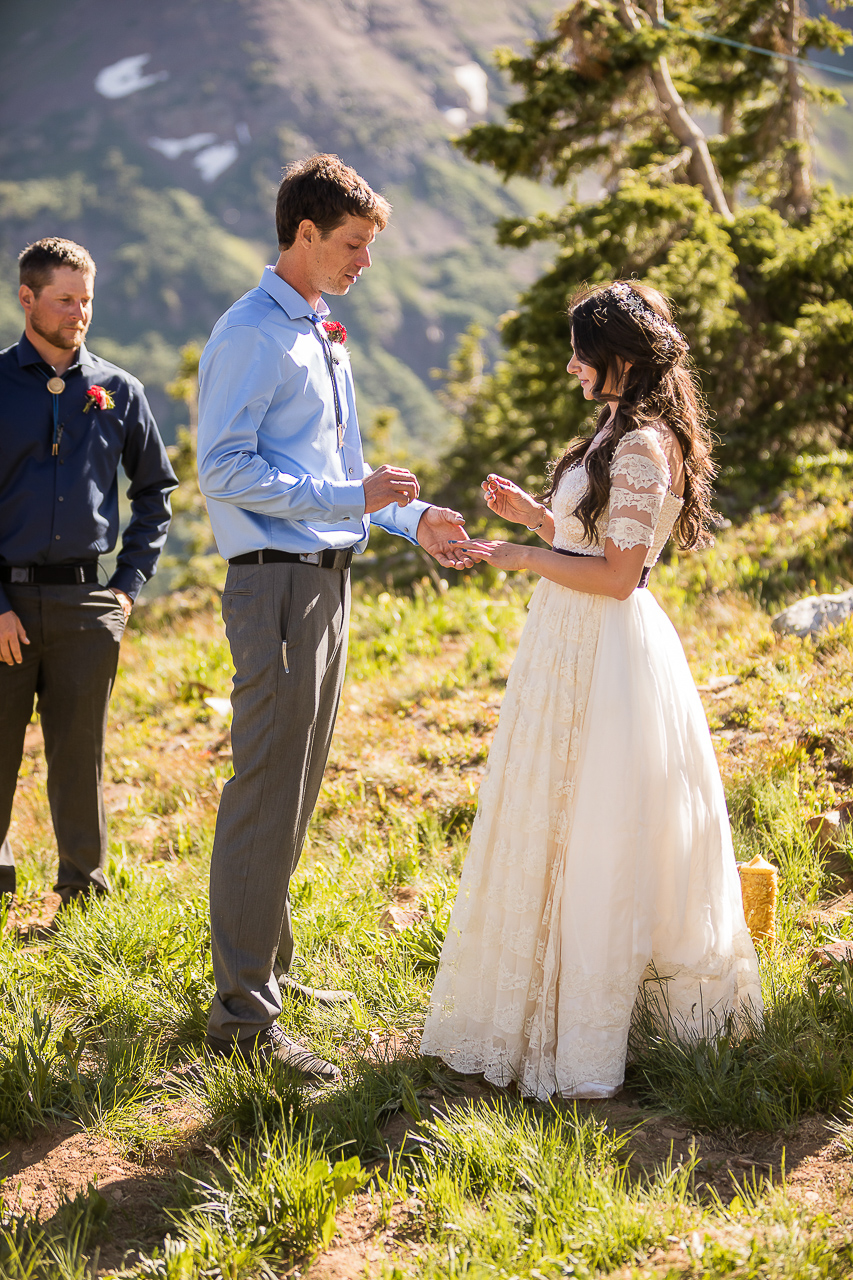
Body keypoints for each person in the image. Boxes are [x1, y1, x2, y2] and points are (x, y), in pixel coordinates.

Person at [421, 281, 762, 1100]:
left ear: (618, 357)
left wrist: (522, 556)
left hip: (606, 646)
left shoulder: (645, 445)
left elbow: (619, 575)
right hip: (565, 642)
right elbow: (591, 538)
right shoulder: (613, 430)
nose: (571, 365)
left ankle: (596, 1023)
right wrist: (539, 519)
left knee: (603, 823)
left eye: (581, 350)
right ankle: (547, 994)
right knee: (557, 812)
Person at [197, 154, 469, 1081]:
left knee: (297, 789)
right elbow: (223, 470)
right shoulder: (249, 334)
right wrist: (349, 493)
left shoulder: (321, 331)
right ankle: (242, 1021)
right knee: (264, 790)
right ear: (304, 234)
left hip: (326, 581)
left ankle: (265, 971)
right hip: (272, 584)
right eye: (352, 244)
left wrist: (409, 518)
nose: (363, 262)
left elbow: (346, 471)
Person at [0, 237, 177, 906]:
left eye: (86, 301)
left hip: (87, 607)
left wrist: (126, 589)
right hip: (5, 605)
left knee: (80, 762)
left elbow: (156, 492)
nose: (78, 313)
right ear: (27, 298)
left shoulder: (118, 390)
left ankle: (82, 898)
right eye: (64, 299)